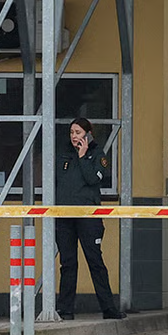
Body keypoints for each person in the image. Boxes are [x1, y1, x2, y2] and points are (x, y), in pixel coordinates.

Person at [55, 117, 126, 320]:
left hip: (88, 217)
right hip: (65, 216)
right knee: (68, 263)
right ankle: (66, 309)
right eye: (71, 132)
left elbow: (93, 179)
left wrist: (83, 156)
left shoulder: (98, 155)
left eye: (78, 132)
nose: (74, 136)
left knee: (95, 261)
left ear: (87, 134)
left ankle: (108, 308)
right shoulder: (63, 155)